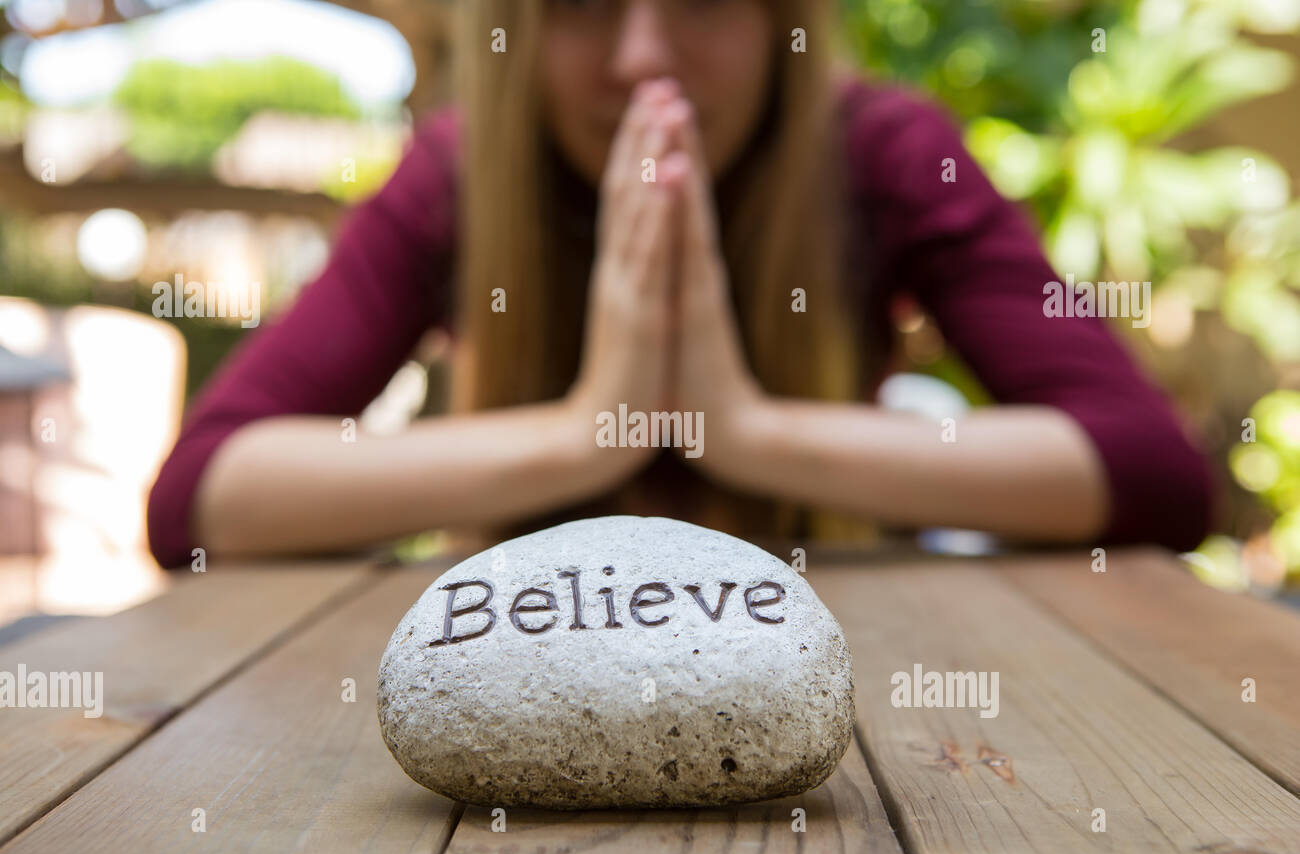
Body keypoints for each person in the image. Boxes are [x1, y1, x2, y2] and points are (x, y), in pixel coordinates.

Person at [146, 0, 1214, 570]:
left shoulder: (885, 152)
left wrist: (736, 424)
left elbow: (1150, 470)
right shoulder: (458, 175)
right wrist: (588, 431)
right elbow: (201, 495)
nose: (640, 56)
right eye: (580, 2)